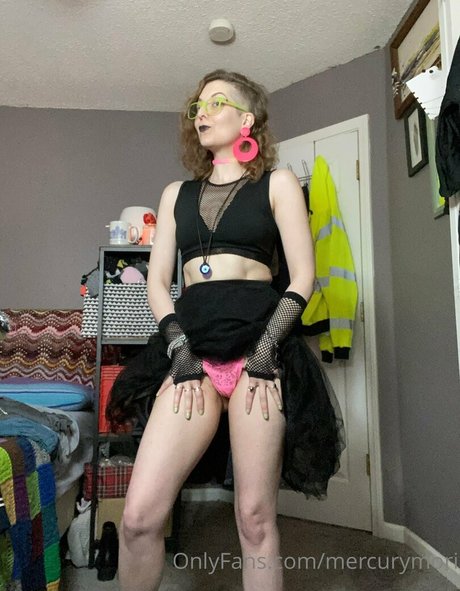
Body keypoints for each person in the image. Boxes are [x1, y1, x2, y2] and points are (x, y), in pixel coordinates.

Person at [106, 69, 346, 591]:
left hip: (259, 352)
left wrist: (264, 352)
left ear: (247, 120)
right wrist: (178, 350)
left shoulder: (278, 183)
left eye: (217, 102)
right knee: (139, 518)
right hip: (191, 352)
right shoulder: (176, 194)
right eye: (198, 106)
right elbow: (158, 284)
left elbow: (303, 277)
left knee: (255, 519)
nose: (203, 113)